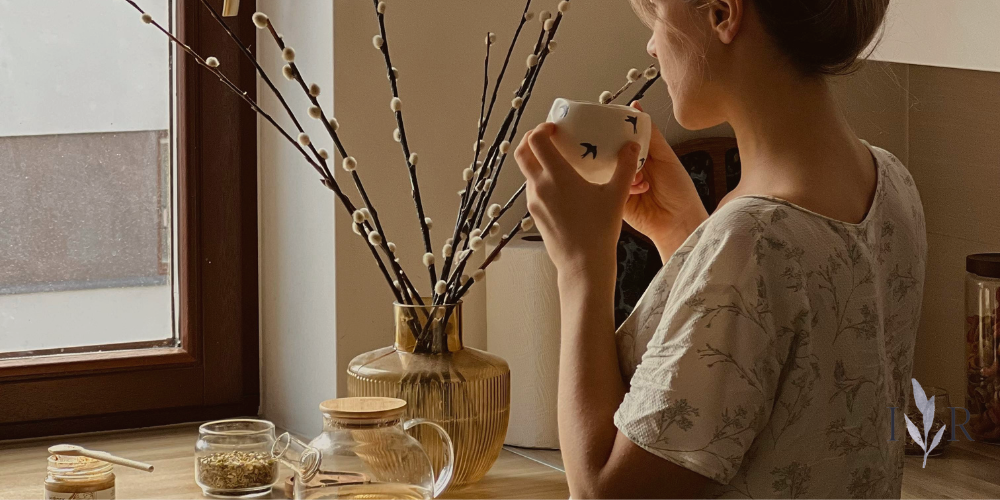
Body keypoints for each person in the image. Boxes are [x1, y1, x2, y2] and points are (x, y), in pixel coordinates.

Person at [513, 0, 926, 497]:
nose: (650, 45)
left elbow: (603, 491)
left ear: (722, 13)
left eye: (657, 19)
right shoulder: (893, 184)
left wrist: (581, 264)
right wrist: (684, 235)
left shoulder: (750, 240)